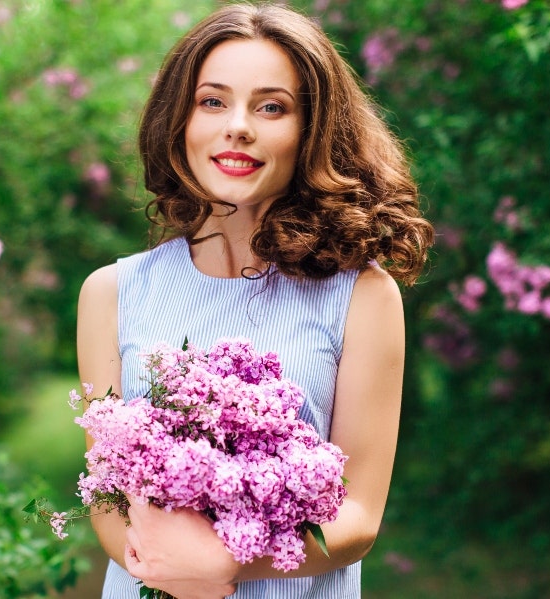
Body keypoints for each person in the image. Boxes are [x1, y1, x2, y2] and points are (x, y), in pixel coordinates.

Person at [76, 3, 434, 597]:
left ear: (311, 131)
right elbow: (110, 503)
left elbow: (358, 518)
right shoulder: (112, 293)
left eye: (271, 107)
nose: (237, 125)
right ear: (179, 121)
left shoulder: (362, 296)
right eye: (212, 101)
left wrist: (227, 563)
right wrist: (163, 567)